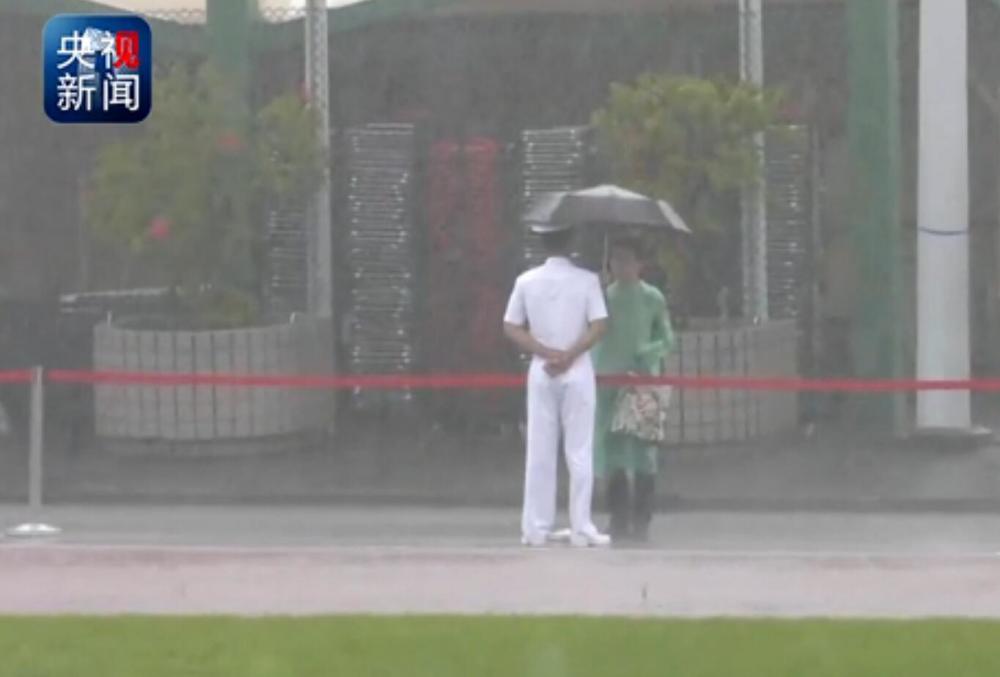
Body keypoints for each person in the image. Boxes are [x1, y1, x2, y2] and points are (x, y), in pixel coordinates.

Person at [503, 222, 611, 548]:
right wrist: (569, 354)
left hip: (541, 370)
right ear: (571, 242)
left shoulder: (526, 281)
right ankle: (581, 526)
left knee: (540, 448)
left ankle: (536, 528)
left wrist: (545, 351)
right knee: (579, 449)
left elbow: (511, 326)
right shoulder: (587, 280)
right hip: (577, 370)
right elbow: (599, 325)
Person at [593, 236, 675, 543]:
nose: (620, 266)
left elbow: (667, 339)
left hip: (642, 381)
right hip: (609, 380)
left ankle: (642, 519)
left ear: (640, 264)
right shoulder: (602, 297)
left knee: (643, 452)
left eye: (627, 259)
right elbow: (591, 336)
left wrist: (648, 352)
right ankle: (618, 518)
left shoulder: (653, 298)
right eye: (615, 259)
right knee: (612, 451)